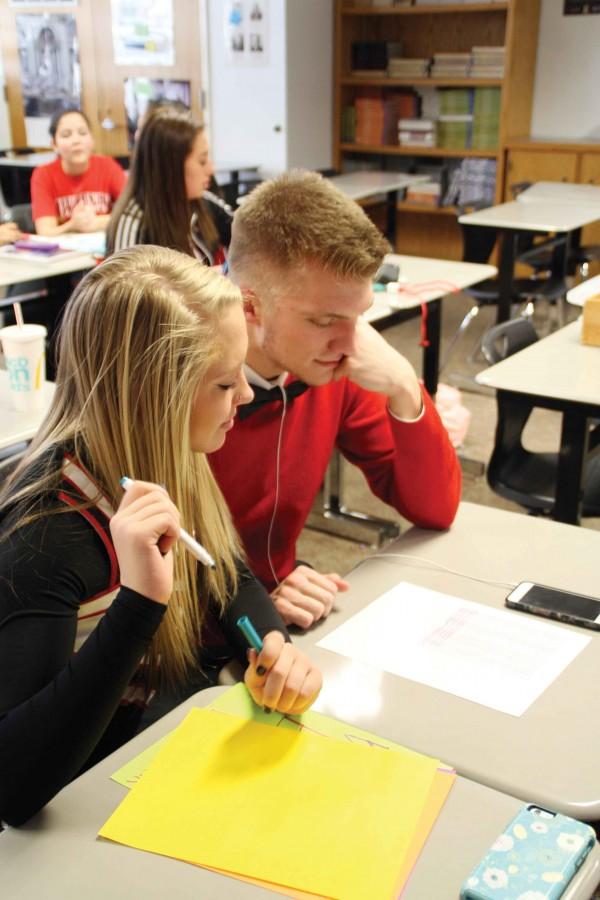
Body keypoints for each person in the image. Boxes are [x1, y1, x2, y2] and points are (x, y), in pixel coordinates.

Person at [0, 245, 321, 827]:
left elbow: (227, 575)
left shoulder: (169, 457)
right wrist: (141, 603)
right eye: (225, 384)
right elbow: (15, 789)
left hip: (142, 753)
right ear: (159, 399)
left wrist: (272, 646)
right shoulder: (46, 539)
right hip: (80, 808)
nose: (246, 397)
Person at [209, 170, 462, 629]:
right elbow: (130, 567)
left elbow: (435, 509)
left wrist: (405, 385)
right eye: (325, 321)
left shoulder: (337, 362)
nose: (350, 343)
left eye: (359, 315)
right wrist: (251, 602)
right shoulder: (172, 369)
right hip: (184, 637)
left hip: (274, 616)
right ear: (249, 306)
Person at [107, 106, 232, 265]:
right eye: (202, 161)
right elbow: (122, 288)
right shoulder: (133, 222)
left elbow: (246, 235)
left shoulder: (202, 202)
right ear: (171, 167)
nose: (211, 169)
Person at [31, 107, 126, 237]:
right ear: (54, 144)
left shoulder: (108, 166)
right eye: (66, 135)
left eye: (82, 133)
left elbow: (132, 213)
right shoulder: (43, 174)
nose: (76, 141)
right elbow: (45, 231)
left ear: (92, 139)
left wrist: (95, 223)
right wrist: (73, 225)